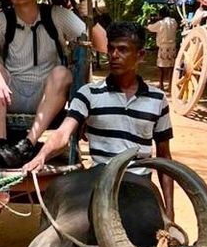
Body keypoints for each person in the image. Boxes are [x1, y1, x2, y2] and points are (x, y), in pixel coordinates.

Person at [23, 21, 175, 218]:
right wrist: (41, 156)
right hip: (99, 177)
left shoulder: (158, 100)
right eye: (111, 49)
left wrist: (170, 211)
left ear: (140, 55)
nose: (114, 55)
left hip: (140, 180)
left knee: (152, 230)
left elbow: (164, 156)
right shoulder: (89, 94)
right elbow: (63, 132)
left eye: (122, 50)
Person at [0, 0, 87, 168]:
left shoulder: (57, 15)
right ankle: (1, 144)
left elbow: (101, 45)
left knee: (62, 72)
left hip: (48, 97)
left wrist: (89, 20)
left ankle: (28, 144)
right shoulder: (1, 20)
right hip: (10, 92)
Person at [147, 7, 178, 89]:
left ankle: (161, 84)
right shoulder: (173, 21)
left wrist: (150, 21)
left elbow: (150, 28)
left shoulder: (160, 23)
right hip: (172, 46)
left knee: (161, 67)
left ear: (161, 15)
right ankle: (171, 84)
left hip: (163, 47)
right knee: (171, 66)